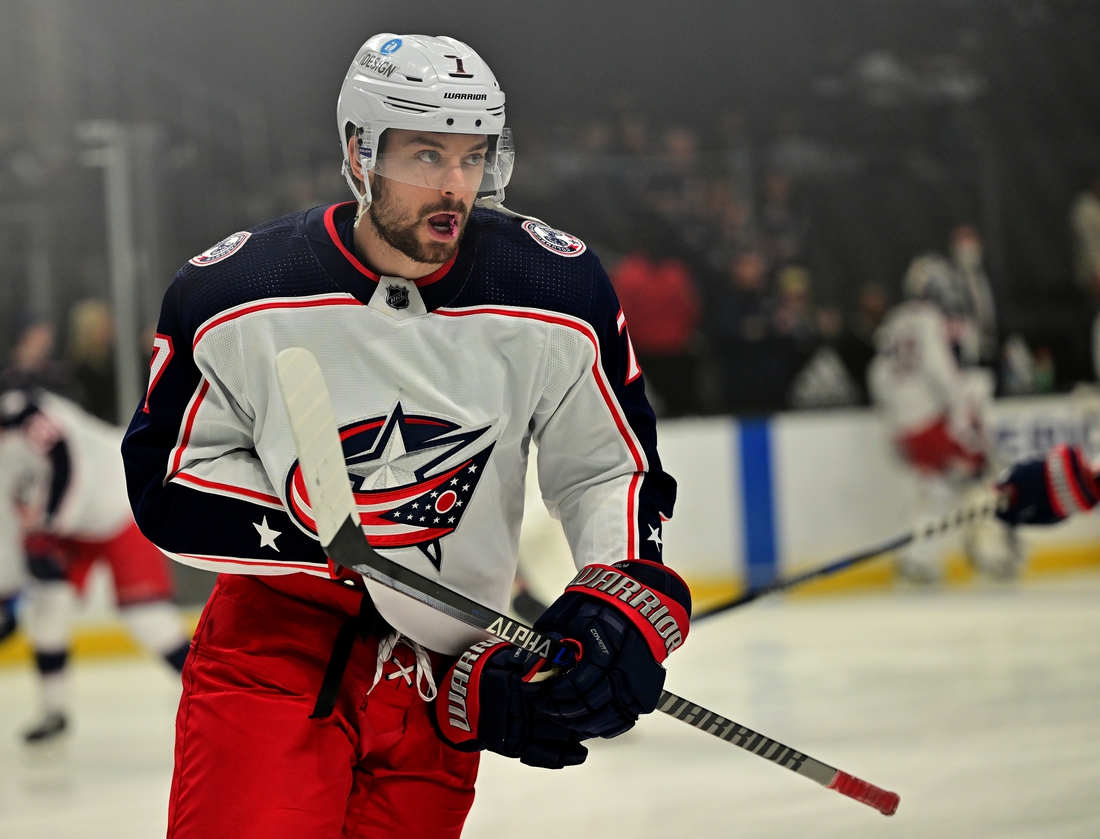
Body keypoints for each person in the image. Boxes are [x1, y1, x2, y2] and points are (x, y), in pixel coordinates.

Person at [122, 34, 689, 839]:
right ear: (359, 151)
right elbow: (169, 475)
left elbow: (607, 466)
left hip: (445, 685)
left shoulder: (557, 290)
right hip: (277, 648)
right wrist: (338, 541)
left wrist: (618, 600)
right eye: (426, 155)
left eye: (472, 157)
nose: (454, 187)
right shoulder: (237, 292)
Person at [0, 388, 191, 743]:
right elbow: (7, 521)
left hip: (119, 508)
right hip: (70, 525)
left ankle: (210, 691)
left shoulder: (23, 413)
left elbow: (67, 463)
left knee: (148, 620)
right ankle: (54, 711)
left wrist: (48, 525)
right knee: (48, 610)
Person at [868, 253, 1021, 582]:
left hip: (903, 428)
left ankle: (916, 559)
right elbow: (941, 371)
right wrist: (961, 412)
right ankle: (988, 550)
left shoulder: (894, 321)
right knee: (981, 475)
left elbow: (877, 376)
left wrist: (897, 416)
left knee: (937, 490)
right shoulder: (929, 319)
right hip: (929, 423)